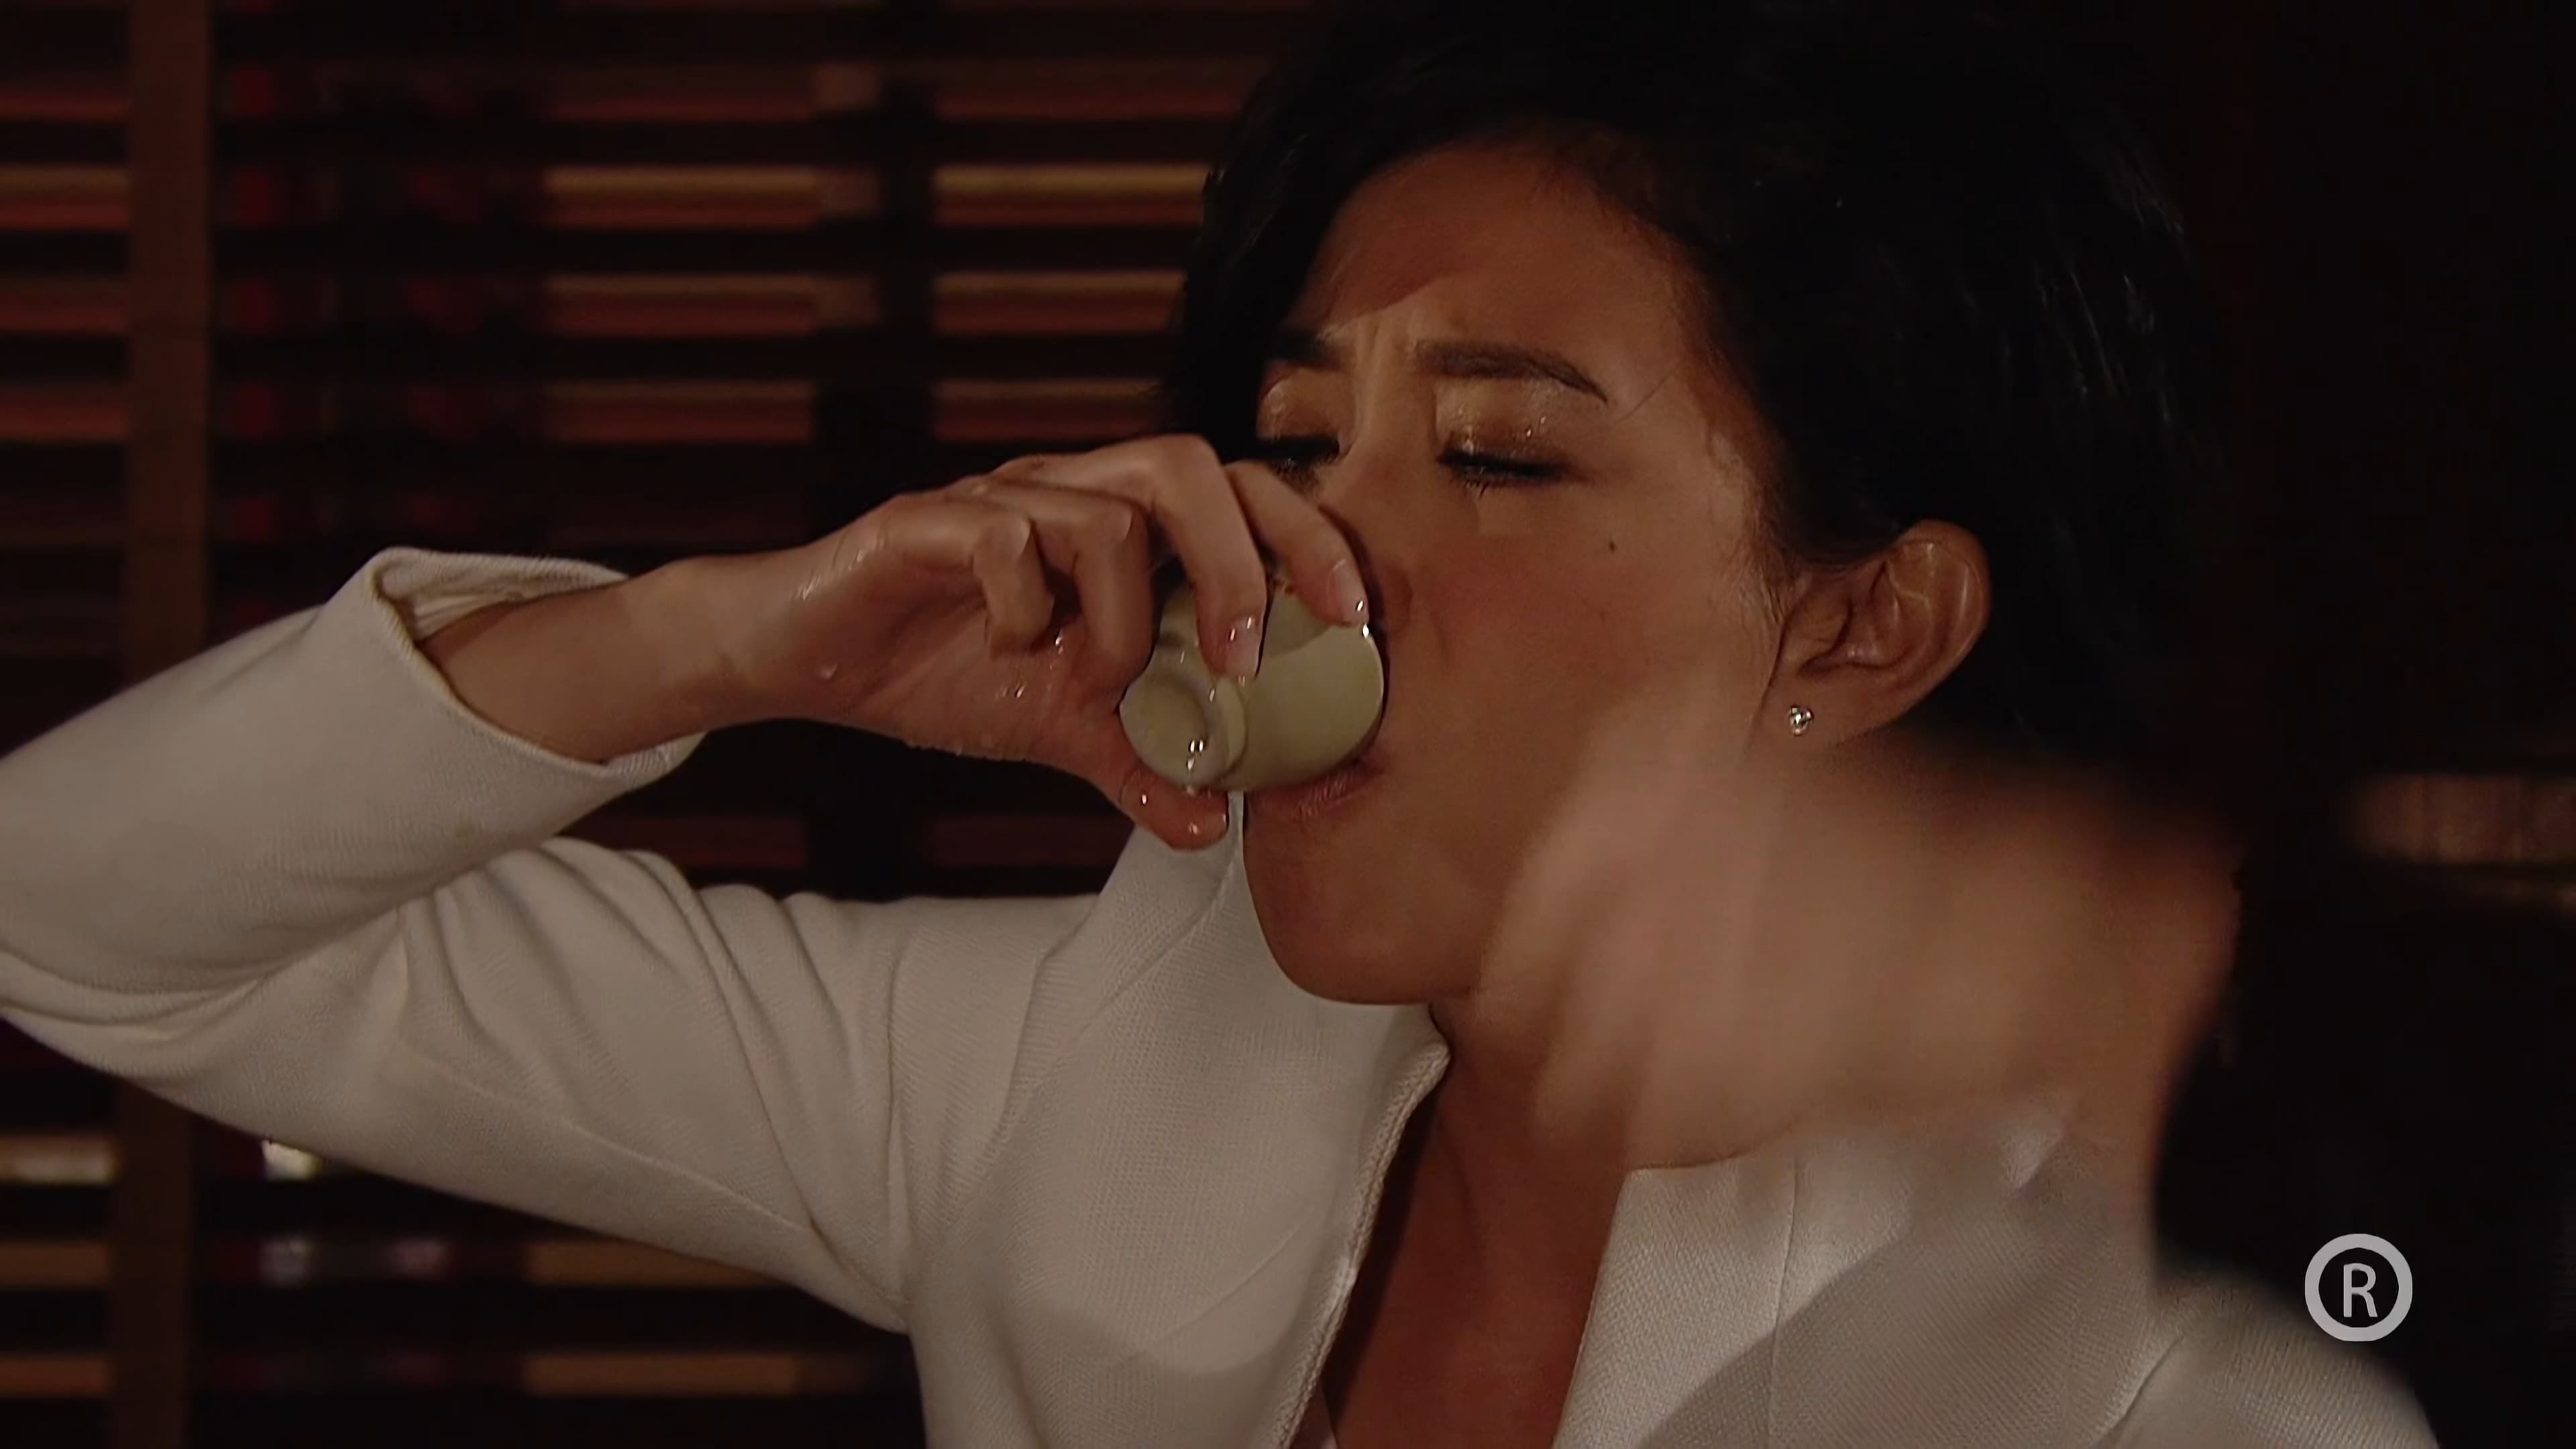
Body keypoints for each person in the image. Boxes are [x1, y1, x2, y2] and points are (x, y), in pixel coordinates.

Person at [0, 1, 2435, 1444]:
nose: (1311, 554)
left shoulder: (2165, 1362)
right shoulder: (1093, 1075)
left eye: (1498, 454)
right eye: (1290, 439)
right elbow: (87, 922)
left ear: (1867, 623)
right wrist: (724, 646)